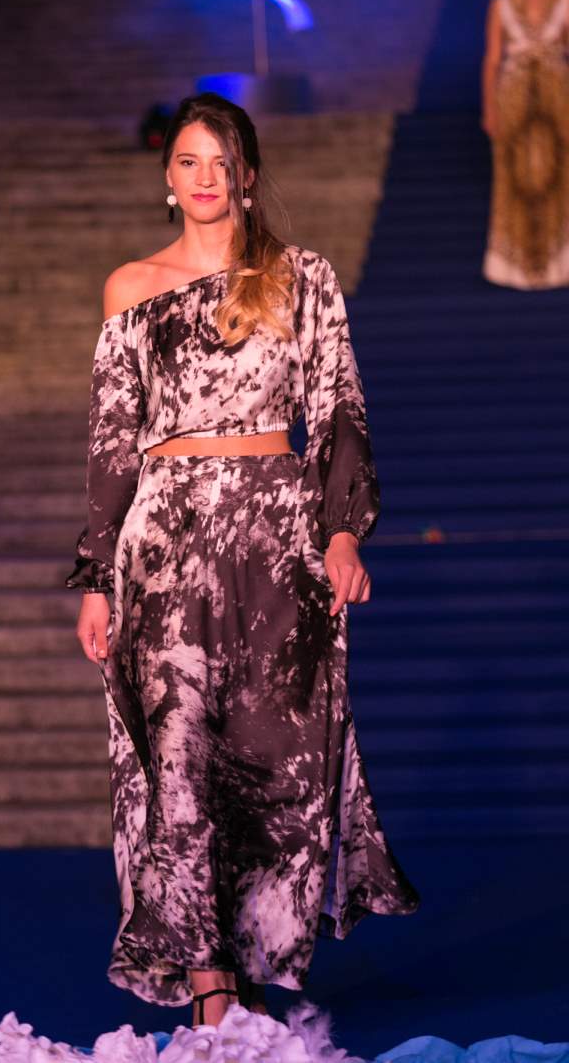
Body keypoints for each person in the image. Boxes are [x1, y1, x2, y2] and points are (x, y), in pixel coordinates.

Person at [65, 92, 420, 1030]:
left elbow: (339, 406)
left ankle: (254, 955)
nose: (206, 177)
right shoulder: (131, 288)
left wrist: (342, 531)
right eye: (189, 160)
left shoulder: (300, 279)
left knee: (270, 755)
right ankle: (208, 975)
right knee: (178, 750)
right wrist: (96, 577)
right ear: (167, 177)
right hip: (164, 548)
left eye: (222, 161)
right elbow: (111, 443)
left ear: (249, 177)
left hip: (276, 542)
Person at [481, 0, 569, 288]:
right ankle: (513, 266)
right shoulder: (501, 5)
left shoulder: (563, 3)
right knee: (514, 179)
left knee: (558, 178)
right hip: (514, 100)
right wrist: (489, 109)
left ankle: (557, 263)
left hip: (555, 100)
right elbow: (492, 59)